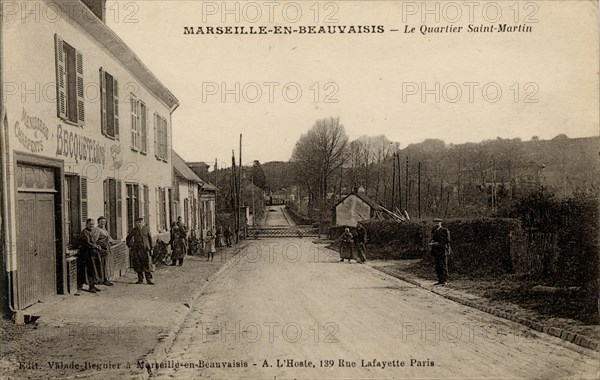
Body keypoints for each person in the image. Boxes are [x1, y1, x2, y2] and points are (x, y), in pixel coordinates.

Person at [126, 217, 155, 285]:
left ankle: (149, 280)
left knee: (147, 264)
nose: (139, 224)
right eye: (137, 223)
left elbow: (150, 239)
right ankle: (140, 279)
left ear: (143, 223)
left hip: (145, 249)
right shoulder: (134, 230)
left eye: (140, 222)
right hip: (137, 250)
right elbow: (128, 238)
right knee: (138, 264)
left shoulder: (146, 229)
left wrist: (151, 248)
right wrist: (130, 246)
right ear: (136, 223)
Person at [79, 218, 103, 293]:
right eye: (90, 224)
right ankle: (91, 287)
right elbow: (87, 243)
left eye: (93, 224)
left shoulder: (90, 232)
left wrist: (97, 246)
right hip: (88, 254)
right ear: (86, 224)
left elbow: (93, 242)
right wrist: (95, 246)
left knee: (94, 270)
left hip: (92, 254)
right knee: (90, 270)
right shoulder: (85, 232)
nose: (92, 226)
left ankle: (93, 285)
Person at [92, 216, 114, 286]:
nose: (103, 223)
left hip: (107, 248)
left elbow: (109, 238)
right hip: (102, 250)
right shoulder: (97, 230)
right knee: (103, 265)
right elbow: (94, 240)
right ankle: (103, 279)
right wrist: (98, 246)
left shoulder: (104, 229)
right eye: (101, 222)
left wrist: (111, 241)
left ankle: (106, 278)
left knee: (107, 264)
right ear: (98, 222)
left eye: (104, 222)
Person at [429, 218, 451, 286]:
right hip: (436, 250)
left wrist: (438, 243)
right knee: (438, 266)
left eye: (438, 222)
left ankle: (445, 280)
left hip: (443, 250)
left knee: (443, 265)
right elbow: (433, 238)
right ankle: (440, 280)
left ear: (440, 223)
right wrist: (432, 241)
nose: (436, 224)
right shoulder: (434, 230)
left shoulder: (445, 230)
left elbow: (447, 240)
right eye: (435, 223)